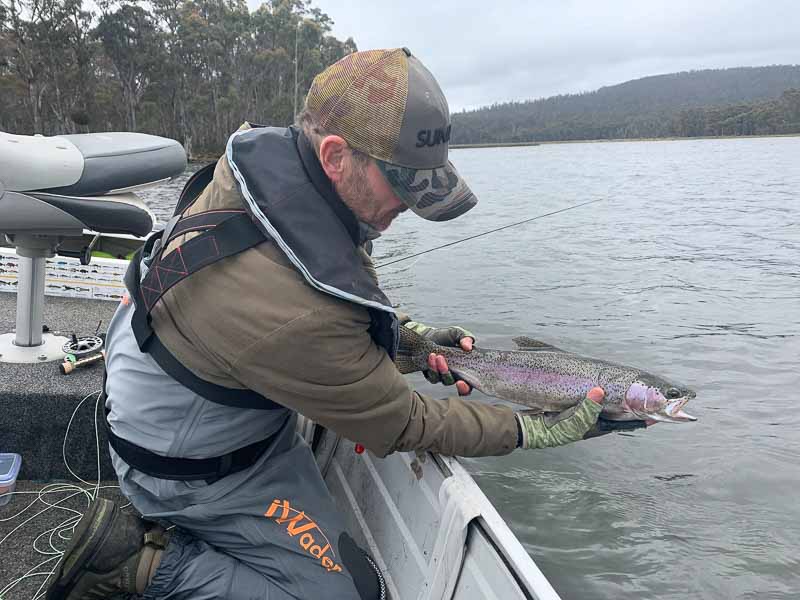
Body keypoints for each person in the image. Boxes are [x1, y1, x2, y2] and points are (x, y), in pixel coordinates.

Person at [45, 48, 643, 600]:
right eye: (402, 184)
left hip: (199, 403)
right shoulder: (295, 311)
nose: (408, 207)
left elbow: (318, 302)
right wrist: (531, 429)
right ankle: (141, 563)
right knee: (352, 595)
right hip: (187, 467)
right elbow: (401, 420)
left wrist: (403, 338)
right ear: (335, 155)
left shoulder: (269, 169)